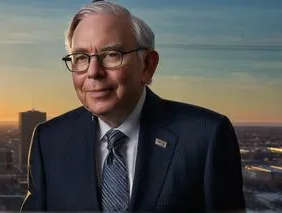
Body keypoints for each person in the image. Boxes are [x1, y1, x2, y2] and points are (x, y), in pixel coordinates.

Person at [21, 1, 245, 212]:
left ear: (148, 66)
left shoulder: (205, 136)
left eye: (111, 55)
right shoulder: (49, 141)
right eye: (81, 57)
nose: (93, 72)